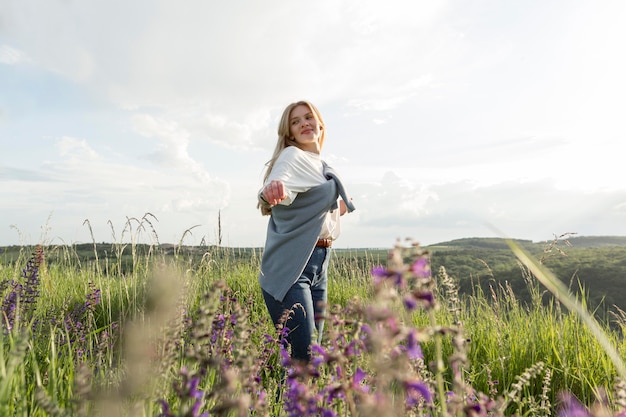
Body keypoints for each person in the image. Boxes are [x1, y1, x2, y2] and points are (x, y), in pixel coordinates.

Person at [257, 100, 355, 363]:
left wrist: (337, 207)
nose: (304, 124)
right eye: (296, 121)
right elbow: (278, 184)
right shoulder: (292, 157)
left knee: (307, 355)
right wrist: (270, 192)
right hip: (294, 266)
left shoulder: (322, 168)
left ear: (320, 124)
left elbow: (313, 207)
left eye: (308, 117)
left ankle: (280, 400)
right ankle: (281, 402)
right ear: (289, 133)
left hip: (320, 266)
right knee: (305, 357)